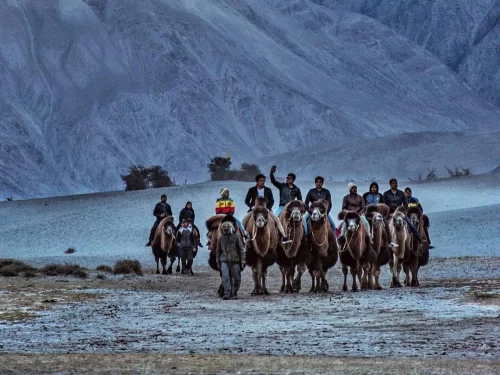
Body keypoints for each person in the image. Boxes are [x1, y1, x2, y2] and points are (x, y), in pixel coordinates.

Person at [243, 175, 291, 244]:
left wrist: (268, 208)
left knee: (277, 219)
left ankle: (284, 236)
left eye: (263, 181)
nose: (263, 182)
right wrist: (252, 207)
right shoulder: (251, 190)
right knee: (244, 220)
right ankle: (244, 236)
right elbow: (247, 200)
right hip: (255, 209)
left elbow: (272, 201)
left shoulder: (268, 190)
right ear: (257, 181)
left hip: (265, 209)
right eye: (261, 181)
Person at [216, 221, 245, 300]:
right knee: (225, 277)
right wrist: (218, 262)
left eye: (227, 228)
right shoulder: (220, 239)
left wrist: (242, 261)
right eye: (224, 228)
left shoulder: (236, 237)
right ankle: (227, 293)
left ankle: (234, 292)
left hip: (235, 261)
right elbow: (218, 251)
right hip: (224, 261)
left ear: (231, 228)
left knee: (237, 278)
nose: (226, 229)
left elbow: (241, 250)